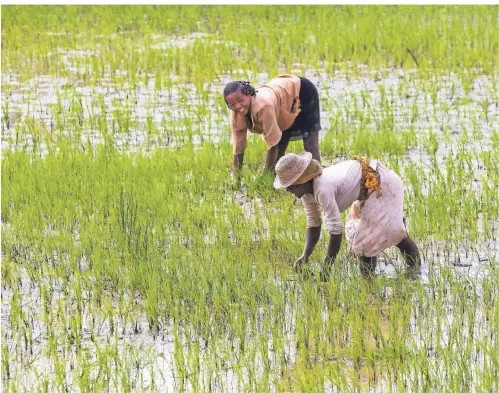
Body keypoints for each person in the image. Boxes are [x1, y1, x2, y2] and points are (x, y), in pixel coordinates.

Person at [273, 152, 421, 279]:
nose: (288, 191)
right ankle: (374, 284)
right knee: (365, 237)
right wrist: (306, 254)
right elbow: (313, 223)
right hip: (366, 189)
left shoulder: (323, 188)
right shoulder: (306, 193)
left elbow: (336, 230)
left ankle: (413, 273)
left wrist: (327, 268)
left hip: (381, 183)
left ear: (301, 182)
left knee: (368, 242)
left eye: (289, 186)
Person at [223, 74, 322, 175]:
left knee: (310, 145)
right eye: (232, 105)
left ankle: (319, 177)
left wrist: (266, 177)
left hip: (302, 91)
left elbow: (273, 144)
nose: (238, 106)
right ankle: (280, 179)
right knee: (280, 145)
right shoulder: (236, 112)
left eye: (240, 100)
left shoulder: (263, 107)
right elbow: (238, 145)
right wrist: (236, 179)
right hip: (280, 99)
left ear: (249, 94)